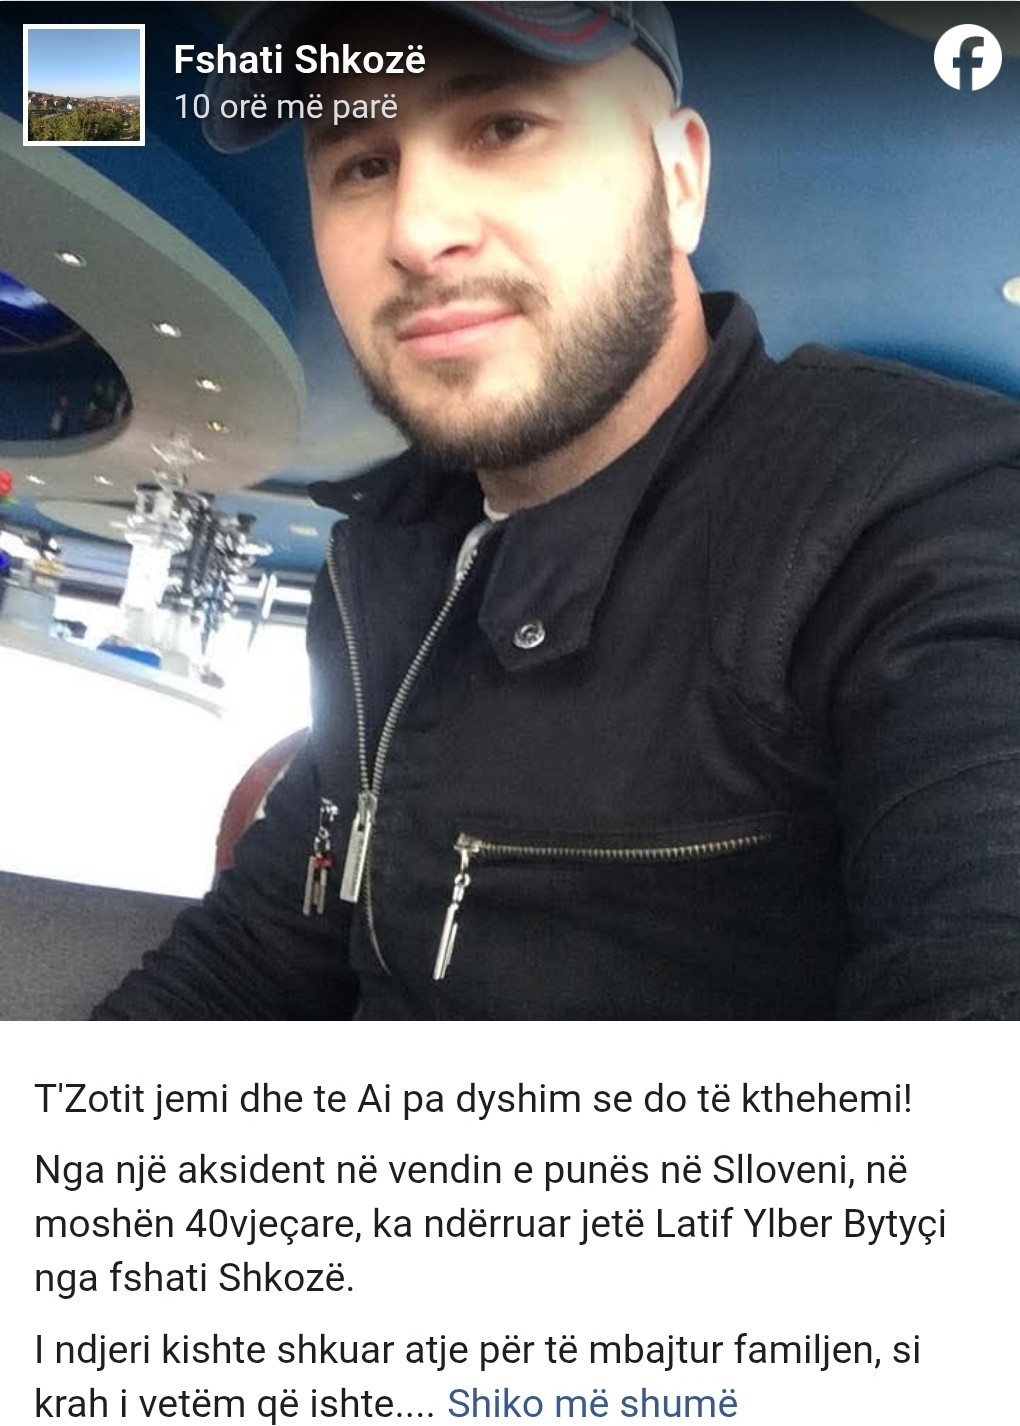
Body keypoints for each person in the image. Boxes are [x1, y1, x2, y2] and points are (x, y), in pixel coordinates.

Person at [94, 2, 1020, 1021]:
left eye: (505, 127)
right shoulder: (382, 568)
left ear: (679, 180)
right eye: (362, 164)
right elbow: (254, 951)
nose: (417, 232)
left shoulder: (923, 516)